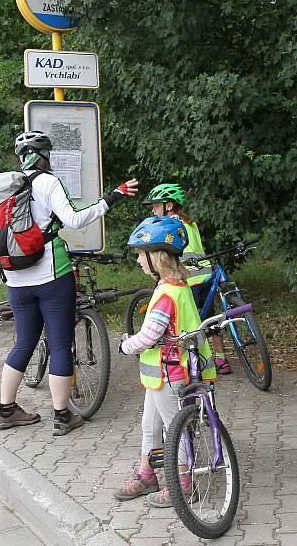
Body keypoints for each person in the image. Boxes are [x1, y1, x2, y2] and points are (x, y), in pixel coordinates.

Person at [0, 130, 138, 436]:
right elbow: (73, 220)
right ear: (45, 156)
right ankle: (62, 416)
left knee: (23, 342)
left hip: (15, 277)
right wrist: (112, 198)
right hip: (50, 273)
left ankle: (6, 410)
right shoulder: (47, 182)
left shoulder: (7, 187)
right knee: (60, 343)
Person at [113, 216, 217, 507]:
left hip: (171, 375)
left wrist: (125, 346)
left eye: (139, 255)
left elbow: (149, 336)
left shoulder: (166, 295)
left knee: (176, 429)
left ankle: (183, 484)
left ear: (155, 257)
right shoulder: (177, 287)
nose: (137, 262)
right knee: (150, 425)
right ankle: (147, 474)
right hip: (162, 375)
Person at [142, 183, 231, 374]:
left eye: (156, 205)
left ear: (169, 205)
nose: (153, 209)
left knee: (187, 322)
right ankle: (221, 358)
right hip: (204, 275)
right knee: (210, 318)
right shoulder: (190, 223)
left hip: (186, 279)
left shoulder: (169, 226)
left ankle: (193, 360)